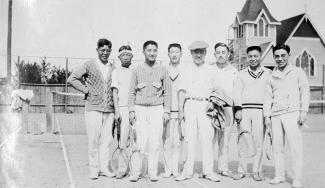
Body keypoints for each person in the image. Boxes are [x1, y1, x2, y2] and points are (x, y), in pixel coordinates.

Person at [67, 38, 115, 180]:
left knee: (106, 141)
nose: (105, 53)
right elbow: (72, 78)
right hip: (93, 108)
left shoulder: (113, 67)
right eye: (102, 50)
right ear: (97, 50)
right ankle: (94, 169)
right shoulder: (89, 64)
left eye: (107, 50)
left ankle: (104, 168)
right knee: (93, 140)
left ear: (110, 51)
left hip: (109, 110)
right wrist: (86, 90)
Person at [264, 44, 309, 188]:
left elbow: (305, 92)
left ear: (289, 55)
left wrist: (303, 111)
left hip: (292, 113)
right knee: (277, 148)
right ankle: (279, 175)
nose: (280, 59)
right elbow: (267, 98)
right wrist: (267, 117)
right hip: (276, 115)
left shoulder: (297, 72)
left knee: (295, 148)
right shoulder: (271, 75)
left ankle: (297, 178)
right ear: (274, 57)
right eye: (277, 56)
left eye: (283, 55)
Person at [176, 41, 220, 182]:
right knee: (190, 139)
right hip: (190, 104)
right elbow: (181, 91)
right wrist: (181, 111)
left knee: (207, 139)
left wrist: (212, 103)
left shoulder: (212, 69)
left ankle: (208, 171)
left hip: (206, 105)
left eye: (201, 52)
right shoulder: (185, 69)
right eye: (195, 52)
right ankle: (187, 171)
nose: (198, 54)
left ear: (205, 53)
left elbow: (217, 90)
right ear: (191, 53)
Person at [128, 40, 171, 182]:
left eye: (154, 50)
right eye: (149, 50)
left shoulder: (163, 69)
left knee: (154, 142)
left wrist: (166, 111)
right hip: (140, 109)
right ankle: (135, 172)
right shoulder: (136, 70)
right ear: (143, 52)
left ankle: (152, 172)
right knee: (139, 142)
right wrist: (131, 110)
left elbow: (167, 93)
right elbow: (131, 92)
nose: (152, 53)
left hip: (157, 109)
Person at [232, 45, 271, 181]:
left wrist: (267, 115)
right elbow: (236, 93)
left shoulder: (268, 73)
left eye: (256, 56)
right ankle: (241, 170)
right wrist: (238, 110)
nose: (253, 59)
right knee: (244, 140)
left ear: (260, 56)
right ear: (247, 57)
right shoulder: (241, 73)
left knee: (259, 142)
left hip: (260, 111)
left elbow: (269, 95)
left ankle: (257, 171)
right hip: (245, 111)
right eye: (250, 56)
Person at [211, 42, 238, 177]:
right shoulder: (210, 70)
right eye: (218, 52)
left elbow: (236, 93)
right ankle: (208, 168)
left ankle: (223, 168)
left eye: (223, 52)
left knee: (225, 141)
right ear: (214, 54)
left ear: (228, 55)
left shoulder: (234, 71)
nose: (221, 55)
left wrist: (237, 109)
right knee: (210, 139)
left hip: (227, 109)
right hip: (212, 109)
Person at [111, 44, 134, 179]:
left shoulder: (136, 71)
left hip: (135, 109)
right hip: (122, 109)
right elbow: (115, 92)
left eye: (128, 54)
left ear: (132, 56)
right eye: (123, 55)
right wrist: (117, 111)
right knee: (122, 141)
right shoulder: (115, 72)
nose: (125, 57)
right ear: (119, 57)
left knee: (136, 140)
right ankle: (121, 168)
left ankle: (134, 169)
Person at [163, 43, 184, 178]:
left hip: (180, 111)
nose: (174, 54)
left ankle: (175, 169)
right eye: (172, 52)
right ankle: (167, 169)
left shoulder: (185, 69)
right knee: (166, 141)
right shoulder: (163, 69)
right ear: (168, 54)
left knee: (177, 142)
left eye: (177, 52)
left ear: (181, 54)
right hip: (166, 112)